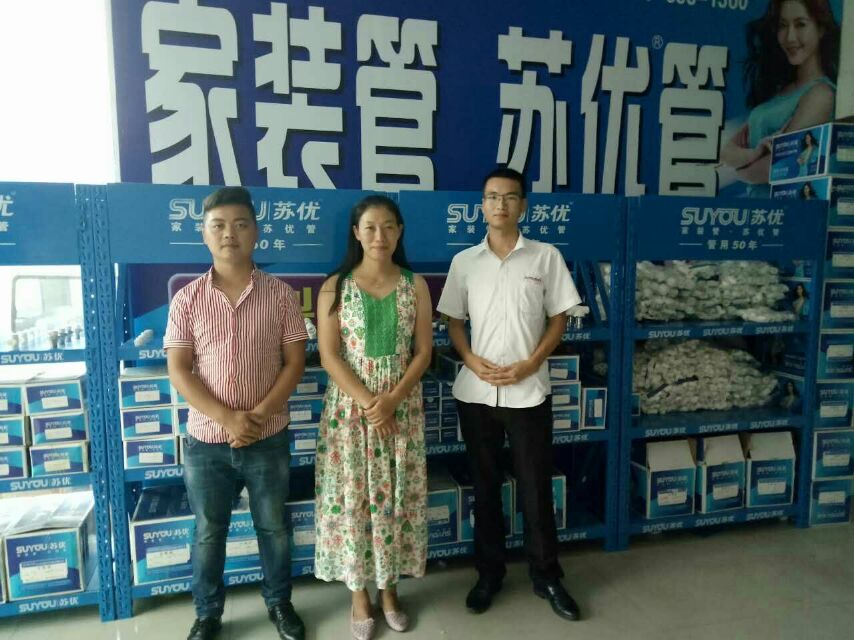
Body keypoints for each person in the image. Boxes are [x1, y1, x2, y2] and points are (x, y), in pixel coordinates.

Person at [437, 167, 583, 622]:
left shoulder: (545, 257)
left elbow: (560, 317)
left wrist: (532, 362)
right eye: (492, 197)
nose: (500, 204)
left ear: (523, 205)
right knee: (485, 488)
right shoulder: (465, 262)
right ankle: (489, 575)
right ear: (481, 205)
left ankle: (547, 576)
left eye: (509, 197)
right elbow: (453, 321)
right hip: (477, 393)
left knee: (536, 488)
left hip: (528, 392)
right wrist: (469, 358)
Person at [165, 186, 308, 640]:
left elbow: (295, 363)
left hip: (268, 437)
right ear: (204, 234)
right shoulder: (187, 299)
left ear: (256, 232)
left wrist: (257, 416)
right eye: (219, 225)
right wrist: (228, 418)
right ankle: (207, 614)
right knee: (209, 531)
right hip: (207, 441)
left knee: (274, 527)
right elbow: (179, 369)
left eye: (240, 224)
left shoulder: (281, 295)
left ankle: (280, 603)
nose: (230, 234)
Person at [314, 195, 431, 640]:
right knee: (354, 499)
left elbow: (423, 352)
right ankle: (359, 594)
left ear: (399, 232)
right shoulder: (335, 286)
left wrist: (393, 399)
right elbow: (329, 355)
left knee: (396, 499)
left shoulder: (416, 285)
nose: (379, 236)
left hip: (402, 411)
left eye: (388, 227)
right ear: (356, 233)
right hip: (350, 412)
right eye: (370, 227)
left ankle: (390, 590)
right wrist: (369, 403)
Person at [720, 0, 839, 196]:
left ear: (821, 29)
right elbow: (726, 152)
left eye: (800, 24)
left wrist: (739, 168)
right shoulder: (780, 91)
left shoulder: (821, 95)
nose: (790, 37)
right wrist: (755, 153)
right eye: (783, 26)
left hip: (784, 210)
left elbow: (776, 166)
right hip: (755, 208)